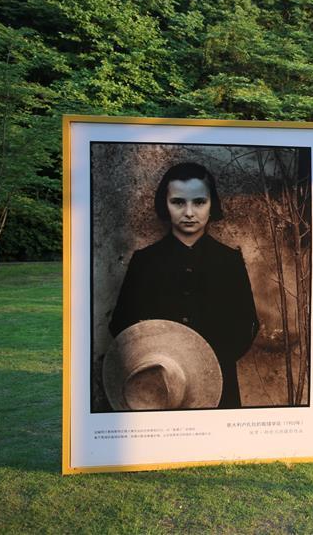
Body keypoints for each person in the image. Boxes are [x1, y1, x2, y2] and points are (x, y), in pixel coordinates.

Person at [109, 161, 259, 409]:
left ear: (212, 205)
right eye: (178, 202)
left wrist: (208, 360)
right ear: (165, 205)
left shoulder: (229, 260)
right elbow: (121, 325)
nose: (189, 212)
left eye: (199, 202)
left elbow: (248, 324)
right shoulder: (145, 261)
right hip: (159, 387)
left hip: (218, 383)